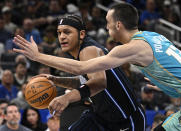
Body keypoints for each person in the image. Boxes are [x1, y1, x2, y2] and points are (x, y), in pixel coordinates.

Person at [13, 3, 181, 131]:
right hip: (103, 114)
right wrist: (166, 84)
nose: (107, 27)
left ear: (118, 25)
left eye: (108, 23)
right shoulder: (154, 36)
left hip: (130, 116)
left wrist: (38, 56)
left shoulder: (127, 49)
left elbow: (87, 73)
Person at [16, 15, 146, 131]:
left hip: (126, 117)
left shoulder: (88, 49)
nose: (62, 36)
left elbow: (99, 82)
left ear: (82, 34)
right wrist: (56, 80)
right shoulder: (80, 53)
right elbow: (85, 82)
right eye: (59, 32)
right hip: (101, 116)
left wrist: (38, 56)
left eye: (67, 32)